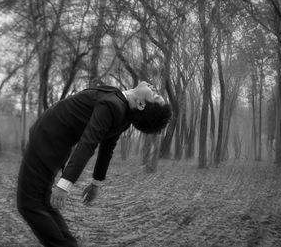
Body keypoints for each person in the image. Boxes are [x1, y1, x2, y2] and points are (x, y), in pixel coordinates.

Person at [17, 81, 172, 247]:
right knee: (41, 203)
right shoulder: (122, 112)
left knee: (29, 204)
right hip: (52, 145)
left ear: (141, 104)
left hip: (46, 144)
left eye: (155, 95)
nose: (154, 87)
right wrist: (96, 183)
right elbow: (107, 148)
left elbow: (89, 142)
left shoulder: (112, 106)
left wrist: (65, 184)